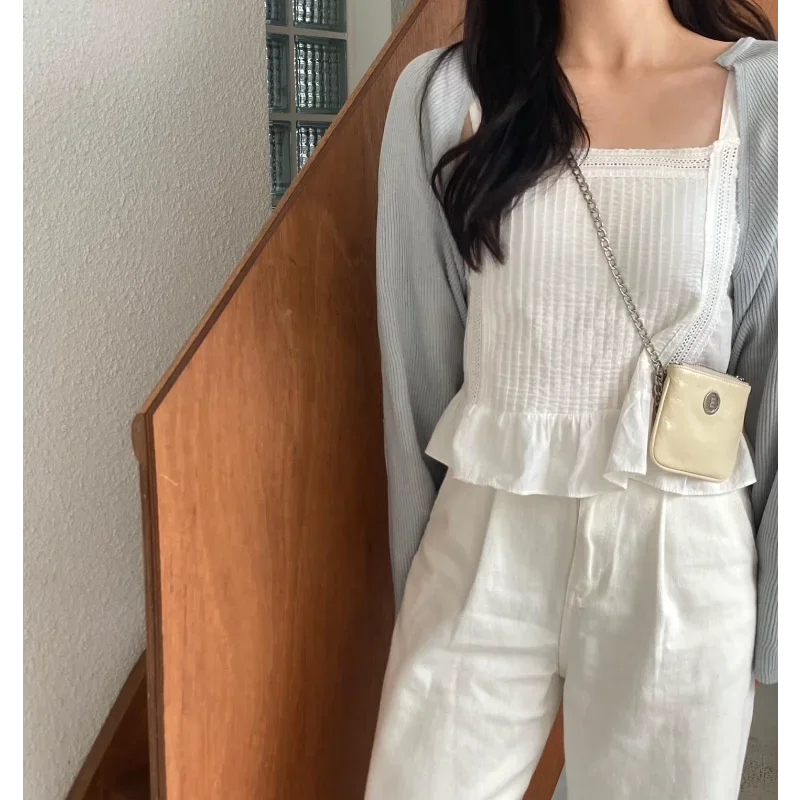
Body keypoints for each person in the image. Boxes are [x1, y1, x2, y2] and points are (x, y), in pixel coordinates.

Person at [364, 1, 783, 798]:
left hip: (682, 552)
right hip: (479, 535)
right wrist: (413, 577)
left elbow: (778, 369)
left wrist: (773, 617)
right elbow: (415, 365)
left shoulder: (766, 99)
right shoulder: (446, 95)